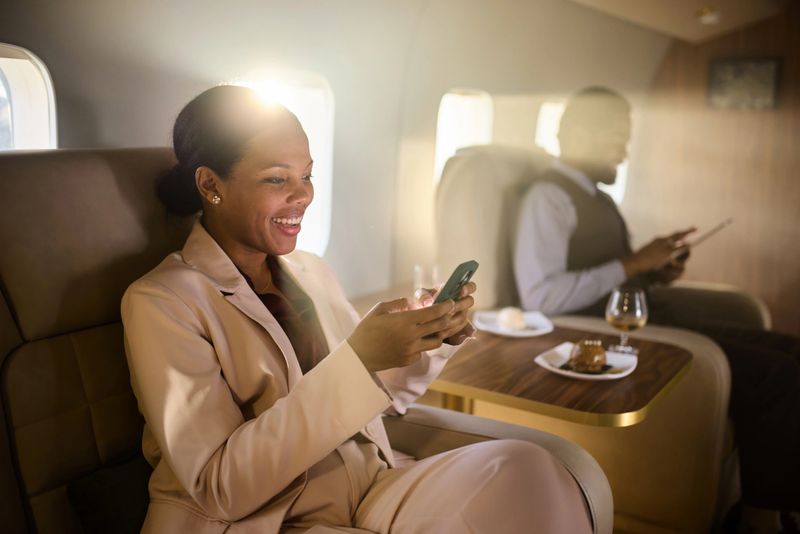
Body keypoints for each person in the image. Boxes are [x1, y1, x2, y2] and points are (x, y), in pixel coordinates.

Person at [122, 85, 592, 534]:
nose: (302, 195)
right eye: (276, 179)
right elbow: (218, 487)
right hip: (268, 519)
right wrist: (361, 358)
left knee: (527, 468)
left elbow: (373, 394)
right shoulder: (163, 302)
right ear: (210, 184)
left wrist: (425, 336)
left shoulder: (309, 271)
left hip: (369, 485)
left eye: (306, 175)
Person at [513, 86, 800, 533]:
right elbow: (542, 298)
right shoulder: (547, 198)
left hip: (648, 317)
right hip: (601, 337)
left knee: (791, 350)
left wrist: (654, 272)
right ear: (581, 133)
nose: (624, 153)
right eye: (618, 138)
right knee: (776, 375)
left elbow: (610, 271)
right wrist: (634, 261)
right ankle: (761, 520)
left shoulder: (597, 196)